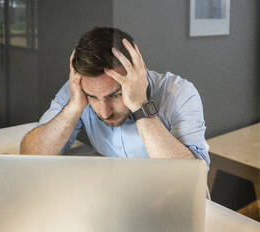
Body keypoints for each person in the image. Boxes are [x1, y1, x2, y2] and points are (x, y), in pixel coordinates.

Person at [20, 27, 210, 165]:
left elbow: (192, 176)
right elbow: (31, 155)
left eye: (116, 95)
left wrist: (140, 106)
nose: (104, 112)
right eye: (93, 97)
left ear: (140, 70)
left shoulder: (180, 93)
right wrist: (74, 107)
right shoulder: (80, 88)